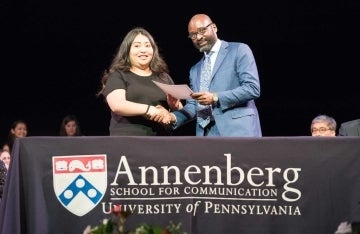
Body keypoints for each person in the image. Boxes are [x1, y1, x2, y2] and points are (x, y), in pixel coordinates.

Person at [167, 14, 262, 136]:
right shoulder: (195, 70)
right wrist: (173, 116)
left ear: (214, 27)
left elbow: (252, 89)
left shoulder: (239, 50)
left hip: (237, 132)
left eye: (202, 30)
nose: (199, 37)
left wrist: (215, 97)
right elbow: (194, 105)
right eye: (193, 35)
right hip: (207, 135)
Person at [98, 27, 182, 136]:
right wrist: (149, 109)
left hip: (162, 140)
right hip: (128, 141)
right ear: (127, 50)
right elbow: (117, 105)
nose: (143, 50)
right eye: (137, 46)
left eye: (147, 45)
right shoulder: (118, 75)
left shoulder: (164, 77)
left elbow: (180, 111)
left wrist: (174, 106)